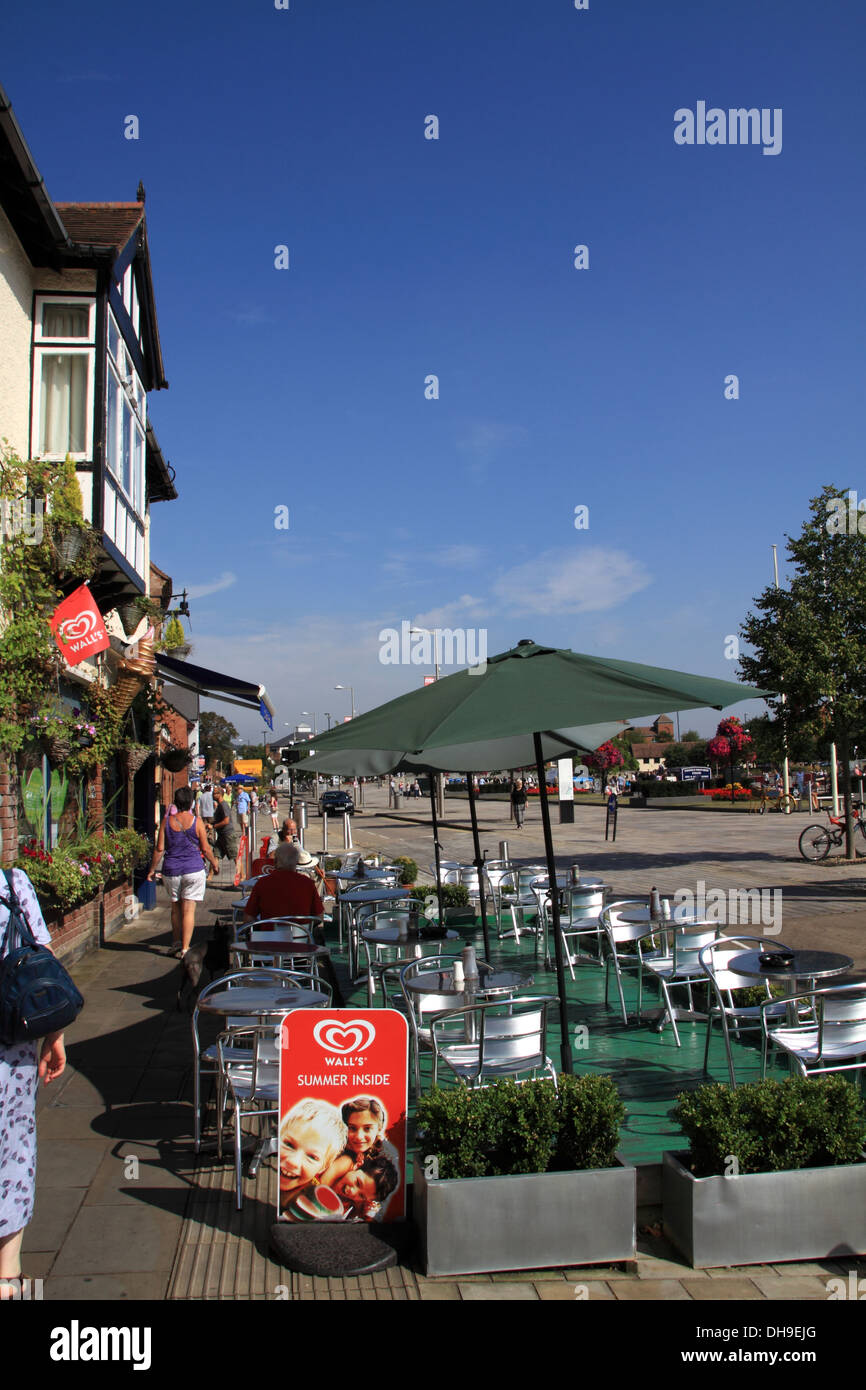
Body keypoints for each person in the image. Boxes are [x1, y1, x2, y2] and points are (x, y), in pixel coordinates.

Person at [0, 868, 66, 1297]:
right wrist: (54, 1036)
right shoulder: (11, 884)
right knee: (12, 1152)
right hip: (9, 1046)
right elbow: (41, 959)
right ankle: (7, 1277)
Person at [146, 785, 220, 957]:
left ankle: (176, 943)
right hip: (193, 870)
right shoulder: (197, 822)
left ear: (175, 802)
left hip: (171, 870)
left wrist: (151, 869)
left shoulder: (167, 822)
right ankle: (185, 949)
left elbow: (159, 849)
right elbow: (206, 848)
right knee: (188, 910)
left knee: (175, 908)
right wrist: (214, 864)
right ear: (192, 802)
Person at [278, 1100, 347, 1217]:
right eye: (289, 1145)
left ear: (323, 1167)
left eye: (311, 1157)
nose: (293, 1162)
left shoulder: (312, 1203)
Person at [243, 841, 324, 928]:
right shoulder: (308, 883)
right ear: (296, 862)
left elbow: (248, 918)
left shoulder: (262, 883)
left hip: (269, 938)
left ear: (275, 862)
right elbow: (319, 916)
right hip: (301, 937)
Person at [331, 1151, 399, 1222]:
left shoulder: (348, 1205)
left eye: (361, 1196)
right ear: (358, 1166)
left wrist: (361, 1213)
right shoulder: (342, 1164)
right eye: (358, 1183)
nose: (353, 1192)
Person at [212, 788, 237, 863]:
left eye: (215, 793)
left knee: (235, 856)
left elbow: (226, 821)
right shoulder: (219, 805)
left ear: (220, 794)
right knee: (215, 855)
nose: (213, 795)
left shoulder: (223, 805)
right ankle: (210, 874)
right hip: (221, 835)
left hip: (228, 835)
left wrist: (214, 826)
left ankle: (242, 874)